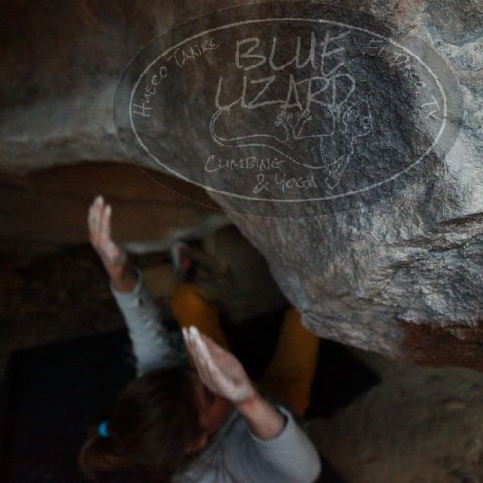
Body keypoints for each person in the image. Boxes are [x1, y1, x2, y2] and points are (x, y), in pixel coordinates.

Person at [79, 195, 322, 483]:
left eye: (190, 376)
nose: (212, 378)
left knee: (185, 299)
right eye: (208, 396)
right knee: (311, 313)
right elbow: (305, 472)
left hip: (238, 392)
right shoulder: (226, 468)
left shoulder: (169, 393)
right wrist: (248, 401)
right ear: (199, 442)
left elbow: (143, 326)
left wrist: (118, 272)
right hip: (272, 406)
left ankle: (205, 281)